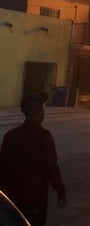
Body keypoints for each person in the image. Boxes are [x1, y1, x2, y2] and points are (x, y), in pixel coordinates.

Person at [0, 92, 66, 226]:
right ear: (41, 112)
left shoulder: (10, 136)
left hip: (13, 200)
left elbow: (2, 167)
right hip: (35, 200)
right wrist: (60, 188)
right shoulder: (44, 137)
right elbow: (51, 167)